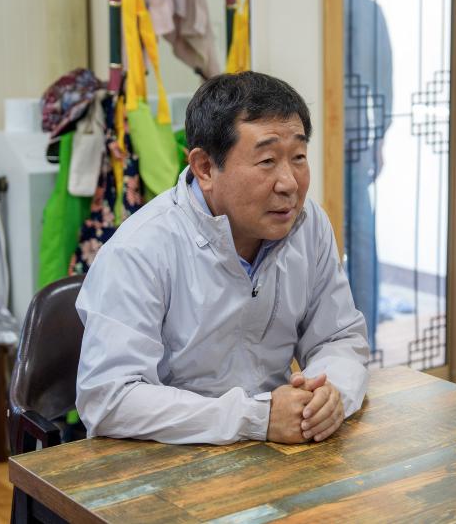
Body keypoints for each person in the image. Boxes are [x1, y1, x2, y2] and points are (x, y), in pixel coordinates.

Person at [75, 72, 370, 445]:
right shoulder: (140, 249)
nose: (289, 183)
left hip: (278, 448)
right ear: (205, 168)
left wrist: (329, 394)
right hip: (169, 455)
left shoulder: (308, 225)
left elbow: (339, 336)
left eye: (298, 157)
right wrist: (255, 417)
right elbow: (109, 398)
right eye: (267, 160)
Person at [343, 0, 393, 353]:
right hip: (357, 137)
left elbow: (382, 79)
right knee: (360, 234)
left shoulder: (363, 8)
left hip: (346, 138)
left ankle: (358, 335)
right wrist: (378, 137)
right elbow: (383, 83)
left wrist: (377, 138)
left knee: (353, 234)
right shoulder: (366, 7)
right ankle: (365, 336)